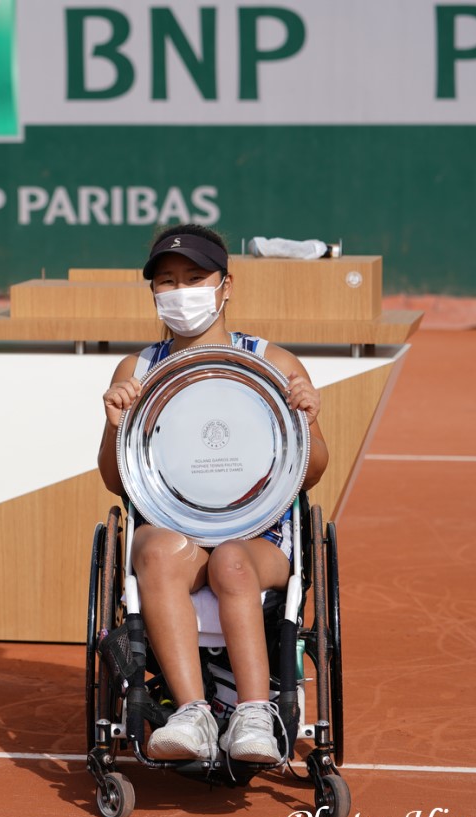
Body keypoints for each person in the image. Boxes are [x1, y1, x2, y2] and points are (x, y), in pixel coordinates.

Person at [97, 224, 329, 764]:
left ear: (226, 285)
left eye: (195, 278)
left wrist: (309, 421)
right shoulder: (137, 370)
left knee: (230, 561)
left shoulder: (276, 364)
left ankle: (253, 714)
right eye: (167, 282)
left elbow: (310, 471)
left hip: (258, 537)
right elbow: (116, 479)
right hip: (175, 531)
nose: (181, 293)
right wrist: (114, 424)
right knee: (152, 549)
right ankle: (193, 714)